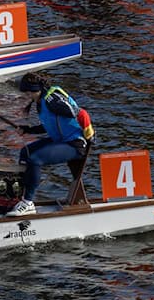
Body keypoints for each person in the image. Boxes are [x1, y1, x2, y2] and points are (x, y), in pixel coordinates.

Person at [6, 72, 95, 216]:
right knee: (25, 152)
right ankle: (21, 197)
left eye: (26, 92)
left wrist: (89, 134)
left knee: (35, 159)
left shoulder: (52, 100)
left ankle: (28, 202)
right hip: (61, 140)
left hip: (75, 144)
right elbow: (48, 126)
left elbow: (80, 113)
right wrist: (27, 130)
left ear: (33, 89)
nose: (25, 95)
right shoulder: (40, 101)